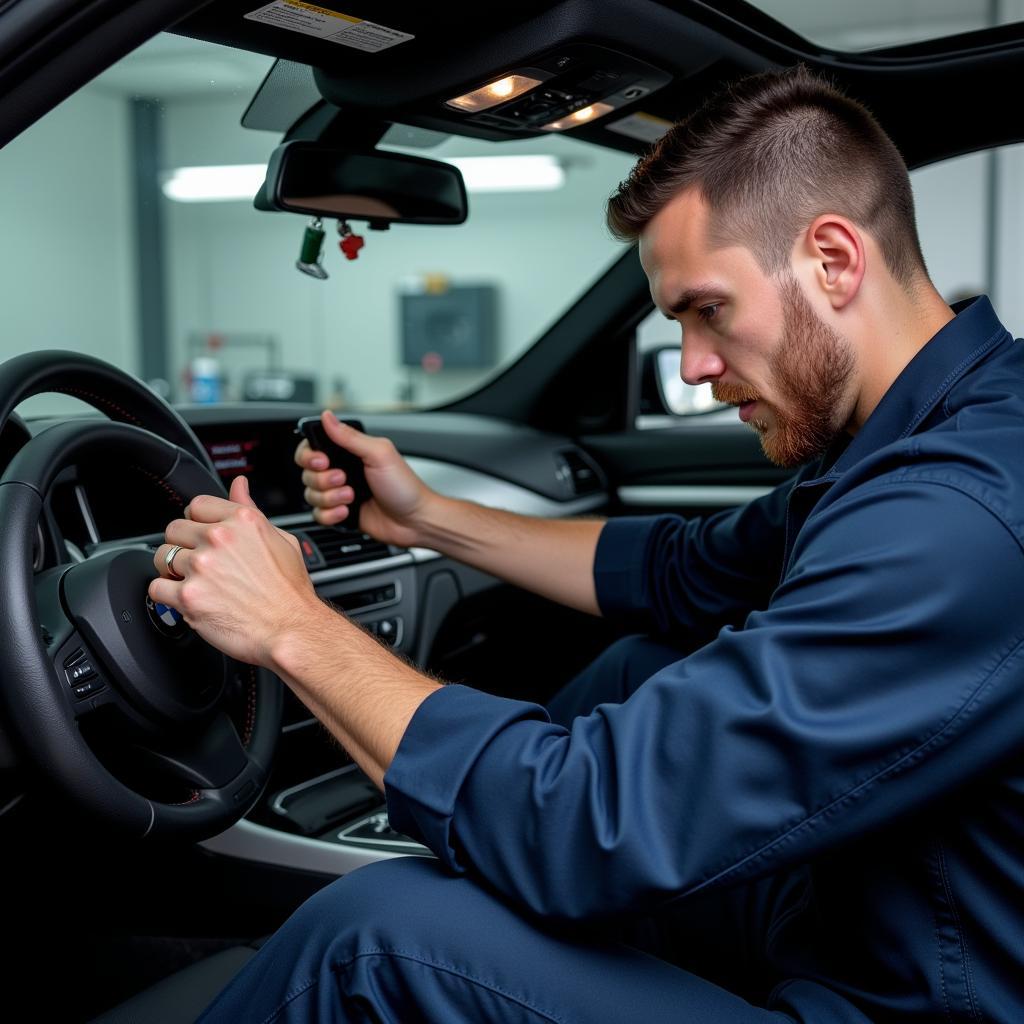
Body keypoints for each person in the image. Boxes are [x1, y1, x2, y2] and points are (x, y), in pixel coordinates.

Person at [151, 66, 1024, 1021]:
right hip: (884, 907)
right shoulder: (927, 435)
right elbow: (680, 569)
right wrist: (423, 518)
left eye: (707, 310)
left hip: (916, 992)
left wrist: (290, 625)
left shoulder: (953, 517)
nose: (692, 366)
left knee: (375, 940)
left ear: (832, 259)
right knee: (636, 668)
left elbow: (591, 822)